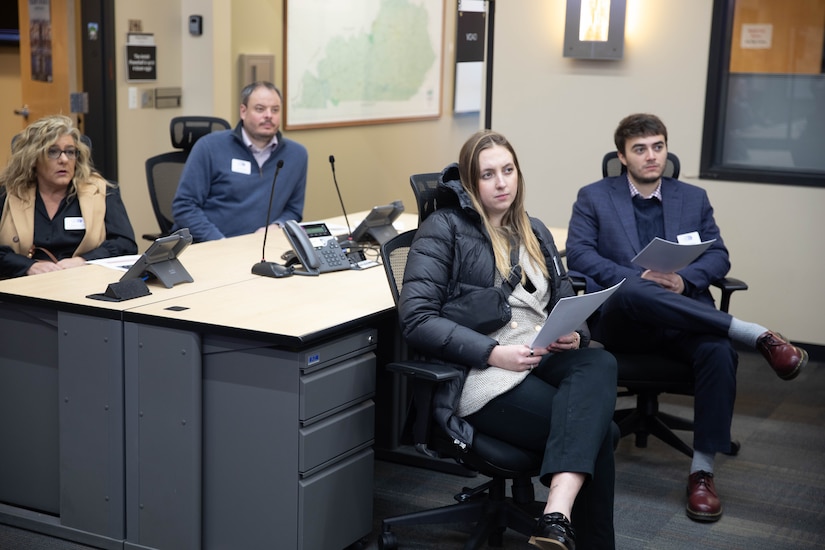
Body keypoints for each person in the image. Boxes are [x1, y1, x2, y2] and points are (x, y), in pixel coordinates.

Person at [565, 113, 809, 523]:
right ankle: (753, 334)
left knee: (716, 351)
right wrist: (637, 278)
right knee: (635, 288)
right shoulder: (593, 197)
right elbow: (581, 255)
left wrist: (683, 279)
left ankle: (702, 471)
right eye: (640, 149)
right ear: (622, 156)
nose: (651, 157)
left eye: (658, 147)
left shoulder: (691, 197)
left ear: (666, 150)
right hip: (626, 324)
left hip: (684, 321)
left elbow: (718, 256)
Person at [399, 130, 618, 550]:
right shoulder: (444, 228)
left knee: (600, 362)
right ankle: (561, 519)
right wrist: (493, 353)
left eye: (508, 170)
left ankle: (556, 515)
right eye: (487, 175)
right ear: (469, 182)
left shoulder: (533, 229)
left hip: (539, 354)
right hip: (484, 373)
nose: (501, 183)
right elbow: (416, 319)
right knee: (602, 433)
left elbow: (564, 293)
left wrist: (575, 333)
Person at [0, 115, 137, 279]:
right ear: (33, 158)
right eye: (53, 152)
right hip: (23, 286)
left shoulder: (102, 192)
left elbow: (126, 244)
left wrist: (84, 260)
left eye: (70, 152)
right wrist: (29, 266)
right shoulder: (8, 193)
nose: (64, 159)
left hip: (85, 283)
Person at [171, 81, 308, 242]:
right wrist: (221, 243)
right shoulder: (209, 147)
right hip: (210, 246)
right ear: (243, 111)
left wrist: (276, 227)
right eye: (260, 109)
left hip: (263, 247)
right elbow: (184, 206)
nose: (268, 115)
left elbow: (293, 210)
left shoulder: (296, 154)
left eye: (275, 110)